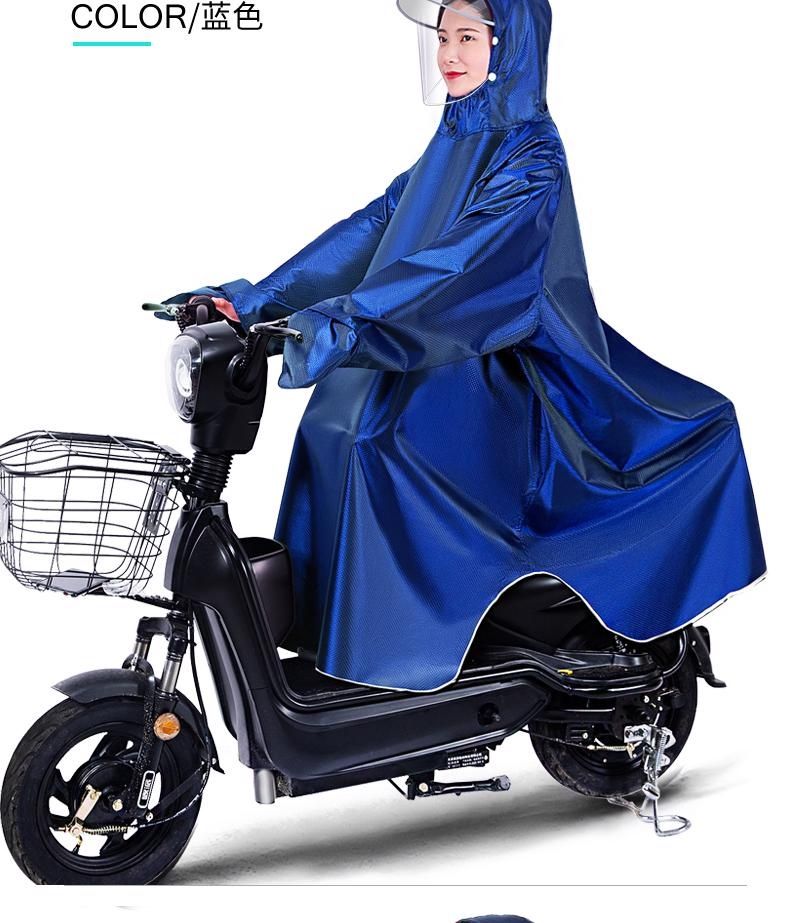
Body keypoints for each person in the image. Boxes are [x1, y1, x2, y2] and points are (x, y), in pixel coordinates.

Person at [162, 0, 765, 693]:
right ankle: (347, 647)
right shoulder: (454, 139)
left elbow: (464, 266)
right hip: (433, 351)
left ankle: (403, 656)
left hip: (508, 366)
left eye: (469, 38)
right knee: (334, 429)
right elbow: (375, 229)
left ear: (509, 48)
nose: (449, 53)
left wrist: (343, 322)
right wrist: (256, 301)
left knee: (379, 448)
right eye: (445, 37)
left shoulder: (532, 154)